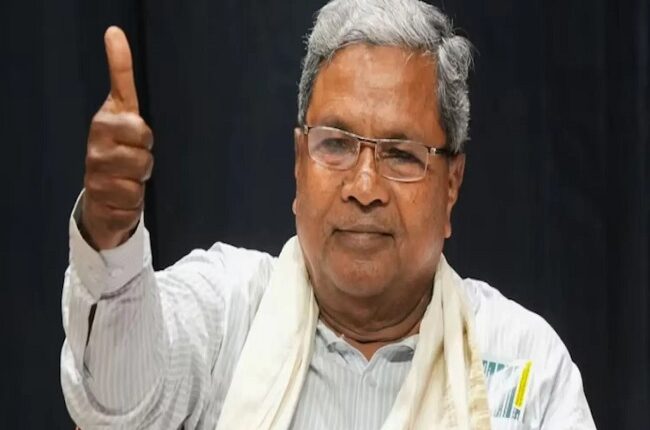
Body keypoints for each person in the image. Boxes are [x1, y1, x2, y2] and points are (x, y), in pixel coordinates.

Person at [60, 0, 596, 428]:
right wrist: (112, 236)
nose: (364, 187)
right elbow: (116, 402)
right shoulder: (225, 313)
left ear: (451, 184)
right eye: (336, 145)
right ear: (299, 163)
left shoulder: (525, 361)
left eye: (401, 155)